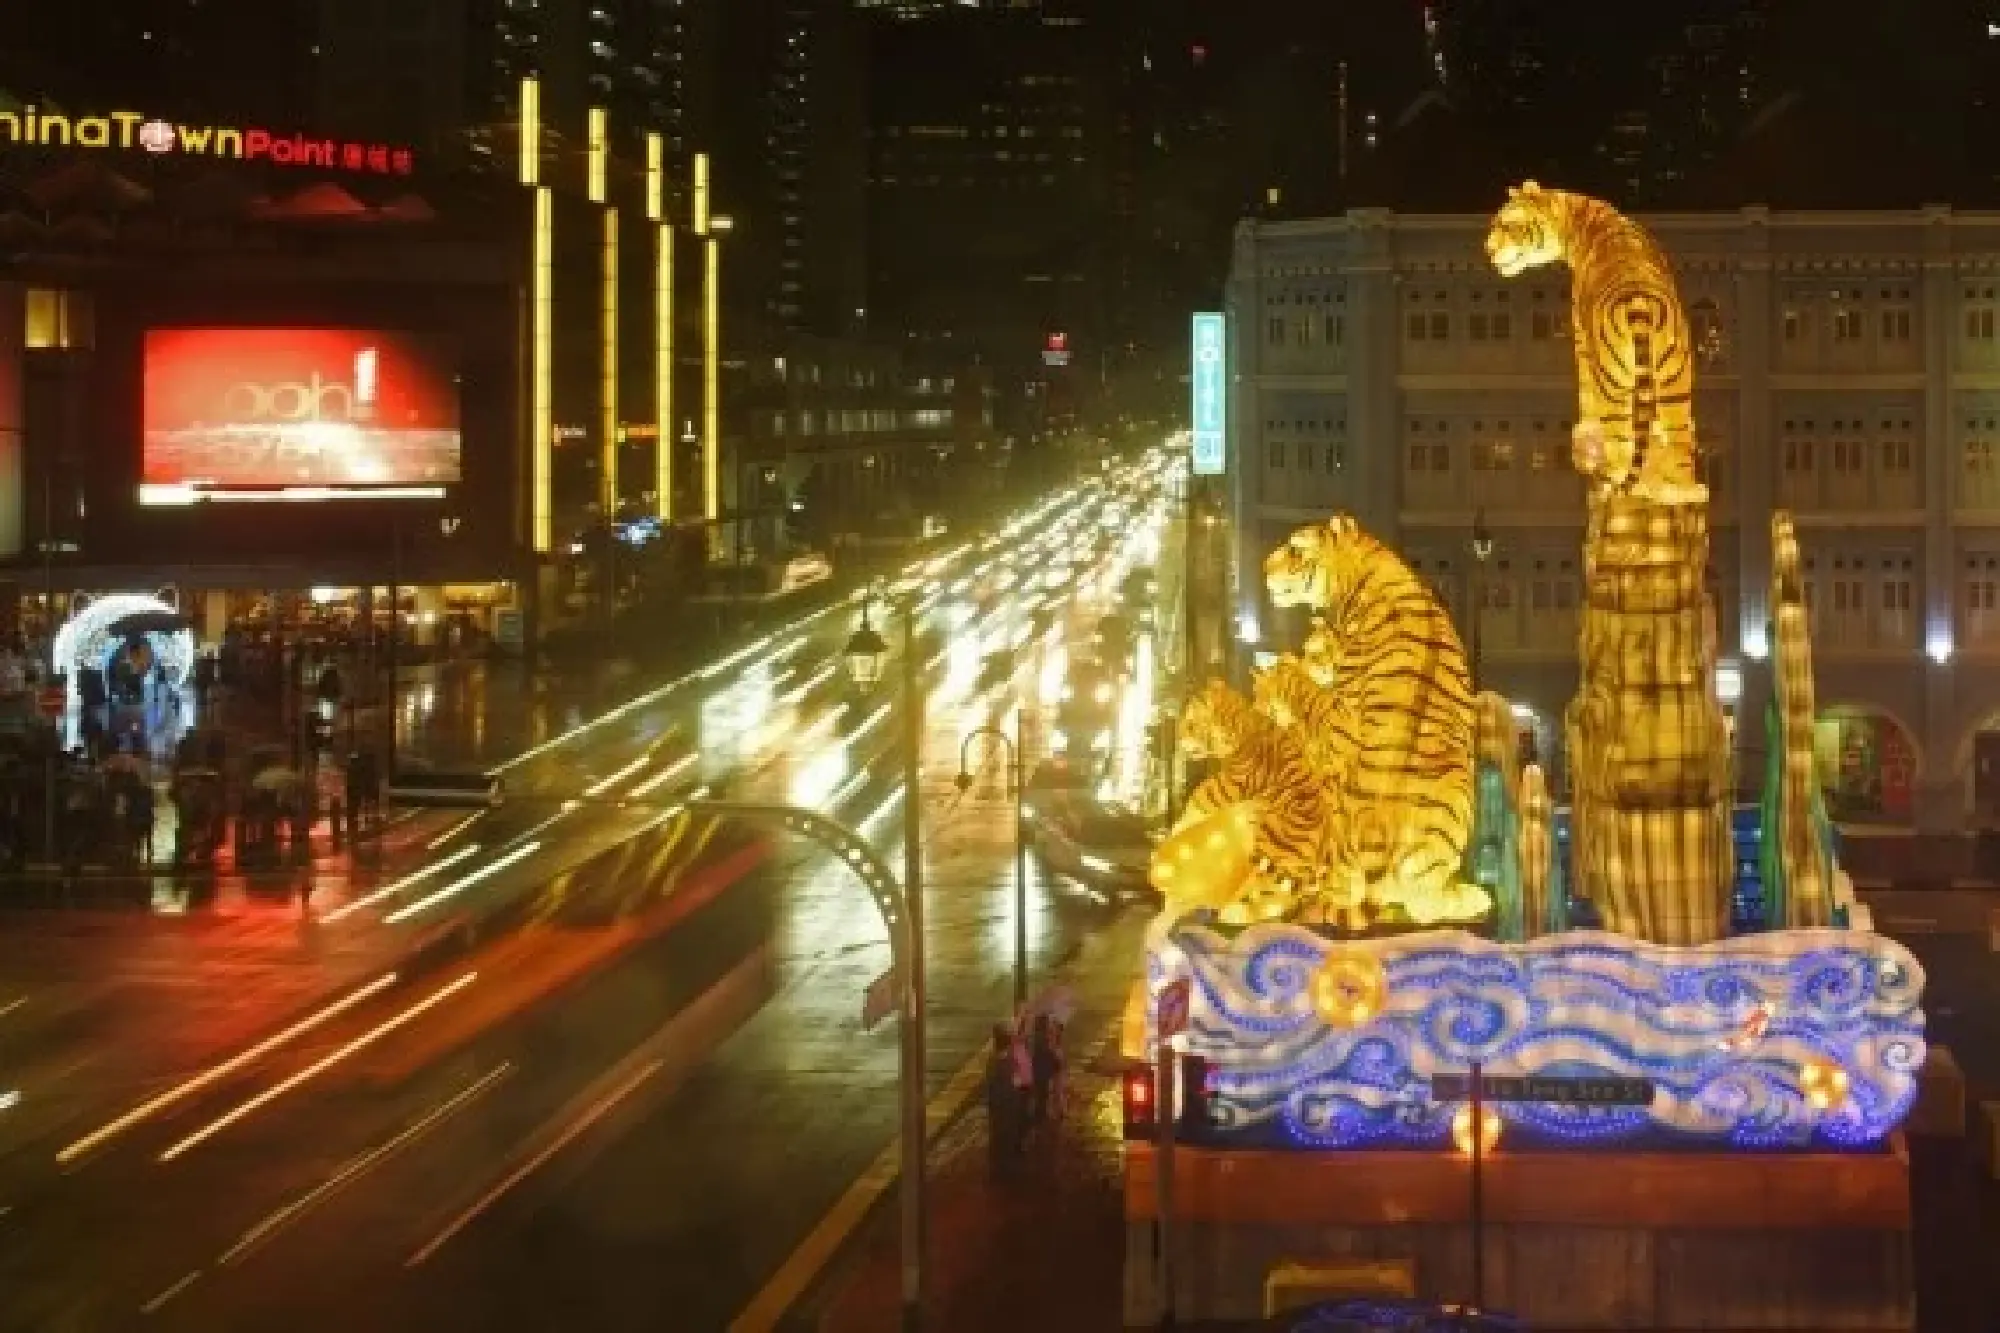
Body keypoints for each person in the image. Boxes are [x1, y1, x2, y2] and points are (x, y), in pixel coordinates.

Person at [984, 1023, 1021, 1179]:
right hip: (1008, 1105)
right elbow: (1015, 1082)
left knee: (997, 1135)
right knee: (1008, 1135)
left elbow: (990, 1085)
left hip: (996, 1105)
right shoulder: (1010, 1062)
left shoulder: (991, 1062)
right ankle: (1006, 1168)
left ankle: (997, 1167)